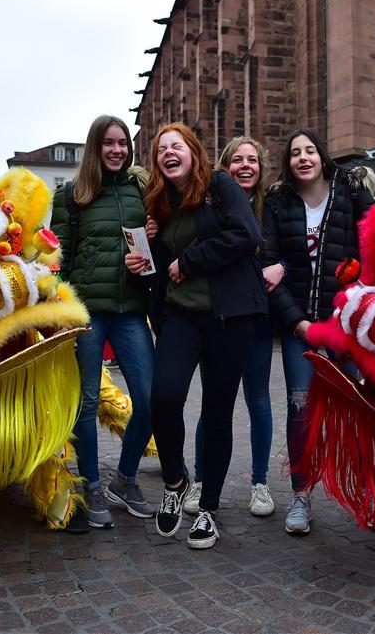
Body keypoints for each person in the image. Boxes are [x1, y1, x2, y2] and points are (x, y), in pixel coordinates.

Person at [128, 123, 266, 549]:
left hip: (230, 317)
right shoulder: (162, 202)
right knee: (164, 397)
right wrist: (147, 258)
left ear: (193, 152)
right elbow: (166, 265)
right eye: (161, 149)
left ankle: (207, 509)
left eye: (177, 146)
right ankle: (175, 481)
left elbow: (247, 235)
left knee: (218, 411)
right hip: (180, 316)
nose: (169, 152)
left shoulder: (221, 185)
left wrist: (190, 260)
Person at [261, 127, 375, 535]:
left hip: (347, 324)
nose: (303, 158)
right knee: (301, 408)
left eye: (310, 150)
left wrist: (361, 308)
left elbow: (374, 244)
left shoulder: (350, 189)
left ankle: (367, 493)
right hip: (301, 328)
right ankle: (301, 494)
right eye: (295, 153)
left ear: (322, 157)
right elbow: (270, 270)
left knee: (359, 408)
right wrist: (299, 323)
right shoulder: (278, 202)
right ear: (288, 162)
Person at [50, 115, 157, 532]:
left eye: (123, 143)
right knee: (88, 402)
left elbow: (154, 243)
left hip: (131, 309)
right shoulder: (72, 195)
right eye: (109, 143)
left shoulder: (139, 191)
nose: (117, 150)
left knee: (149, 399)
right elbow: (58, 256)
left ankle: (124, 480)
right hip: (87, 313)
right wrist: (59, 312)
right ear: (95, 147)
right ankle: (91, 484)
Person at [182, 136, 283, 518]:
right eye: (237, 159)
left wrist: (285, 266)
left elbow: (287, 251)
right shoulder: (213, 202)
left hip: (256, 319)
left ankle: (259, 482)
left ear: (261, 167)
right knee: (214, 404)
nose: (245, 166)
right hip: (220, 316)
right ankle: (202, 480)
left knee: (258, 400)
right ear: (225, 165)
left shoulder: (271, 206)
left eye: (252, 160)